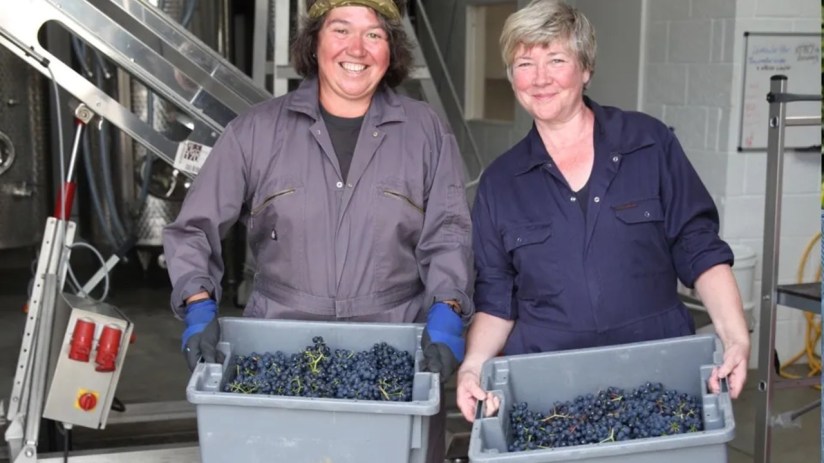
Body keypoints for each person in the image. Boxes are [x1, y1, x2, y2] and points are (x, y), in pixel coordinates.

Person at [162, 1, 472, 461]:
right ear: (314, 42)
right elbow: (192, 230)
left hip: (393, 350)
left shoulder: (426, 132)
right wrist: (198, 305)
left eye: (374, 35)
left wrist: (448, 311)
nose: (356, 48)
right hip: (281, 347)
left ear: (391, 50)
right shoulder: (256, 131)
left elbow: (449, 233)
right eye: (340, 29)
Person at [456, 0, 751, 422]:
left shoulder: (648, 143)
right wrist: (472, 366)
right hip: (548, 392)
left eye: (556, 59)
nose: (539, 78)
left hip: (658, 377)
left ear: (586, 68)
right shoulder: (500, 183)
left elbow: (698, 245)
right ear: (512, 76)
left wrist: (735, 337)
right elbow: (496, 296)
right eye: (525, 63)